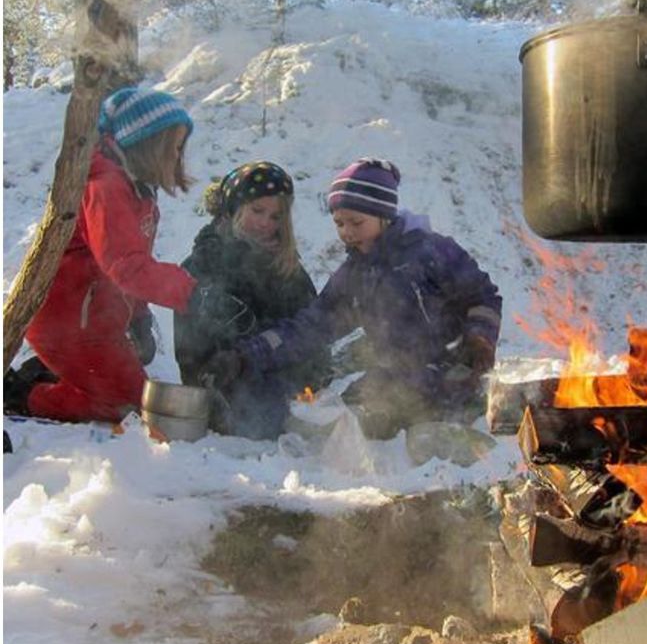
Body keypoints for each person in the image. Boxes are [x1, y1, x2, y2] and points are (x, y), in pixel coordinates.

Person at [209, 158, 502, 440]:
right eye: (339, 224)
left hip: (451, 371)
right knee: (344, 419)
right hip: (395, 377)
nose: (346, 233)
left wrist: (479, 339)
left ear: (383, 216)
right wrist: (248, 354)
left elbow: (483, 297)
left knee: (384, 418)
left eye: (356, 222)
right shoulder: (354, 276)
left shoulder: (431, 252)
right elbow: (310, 326)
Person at [8, 86, 201, 425]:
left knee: (138, 394)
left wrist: (138, 315)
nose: (177, 154)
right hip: (67, 323)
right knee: (123, 405)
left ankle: (56, 371)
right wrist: (190, 291)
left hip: (97, 320)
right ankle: (22, 394)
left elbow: (133, 259)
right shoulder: (105, 186)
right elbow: (125, 266)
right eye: (173, 145)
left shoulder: (138, 190)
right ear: (146, 143)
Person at [174, 161, 325, 438]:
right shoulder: (202, 265)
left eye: (276, 216)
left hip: (284, 391)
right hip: (224, 394)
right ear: (234, 207)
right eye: (257, 211)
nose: (266, 223)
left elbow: (310, 333)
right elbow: (190, 352)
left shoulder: (287, 268)